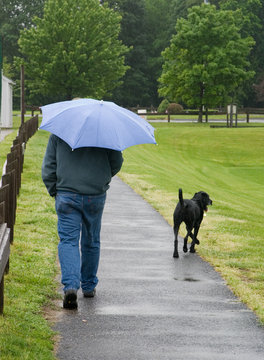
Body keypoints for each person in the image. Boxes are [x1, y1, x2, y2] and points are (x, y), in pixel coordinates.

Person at [42, 134, 123, 309]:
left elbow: (49, 166)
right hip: (95, 195)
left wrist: (54, 190)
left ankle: (70, 287)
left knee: (68, 241)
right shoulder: (105, 133)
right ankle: (88, 285)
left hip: (66, 194)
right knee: (91, 239)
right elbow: (116, 163)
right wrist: (101, 179)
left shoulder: (59, 132)